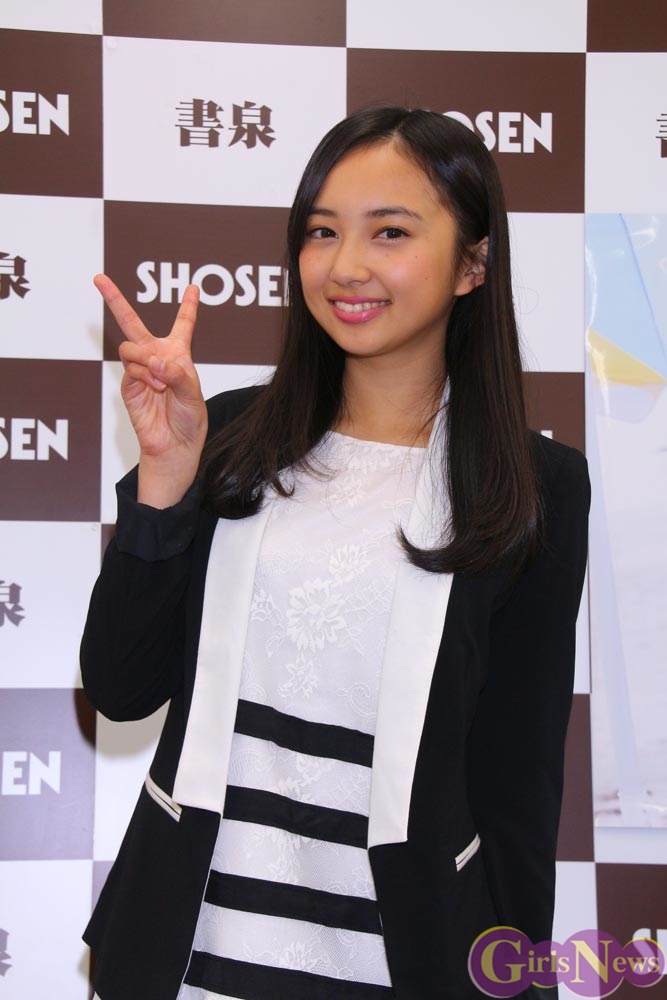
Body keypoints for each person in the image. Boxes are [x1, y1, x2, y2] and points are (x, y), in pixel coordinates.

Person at [81, 106, 590, 1000]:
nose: (345, 265)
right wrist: (163, 479)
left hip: (402, 959)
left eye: (389, 232)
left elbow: (518, 779)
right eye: (321, 232)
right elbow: (119, 688)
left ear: (472, 264)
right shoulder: (227, 436)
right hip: (188, 953)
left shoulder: (533, 485)